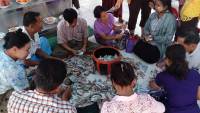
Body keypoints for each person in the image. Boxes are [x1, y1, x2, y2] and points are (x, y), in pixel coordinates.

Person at [7, 59, 77, 113]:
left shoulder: (15, 96)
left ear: (34, 77)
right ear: (58, 87)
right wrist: (65, 100)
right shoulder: (69, 110)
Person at [150, 44, 200, 113]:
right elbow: (198, 96)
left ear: (167, 60)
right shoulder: (195, 73)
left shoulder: (164, 75)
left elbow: (153, 86)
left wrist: (152, 82)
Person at [101, 61, 165, 113]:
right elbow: (162, 109)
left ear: (113, 83)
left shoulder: (107, 108)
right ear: (134, 81)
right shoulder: (147, 100)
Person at [0, 29, 30, 113]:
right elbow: (24, 92)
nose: (29, 53)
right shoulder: (14, 71)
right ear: (15, 49)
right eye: (27, 50)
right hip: (3, 91)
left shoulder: (3, 49)